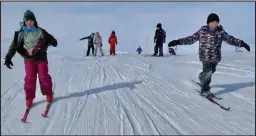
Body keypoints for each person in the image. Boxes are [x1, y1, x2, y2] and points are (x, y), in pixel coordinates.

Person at [168, 13, 250, 98]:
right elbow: (191, 39)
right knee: (208, 72)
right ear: (208, 22)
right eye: (212, 22)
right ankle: (205, 90)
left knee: (212, 71)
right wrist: (177, 42)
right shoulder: (202, 30)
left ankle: (201, 77)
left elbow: (231, 39)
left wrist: (242, 44)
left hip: (215, 57)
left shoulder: (221, 32)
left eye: (216, 22)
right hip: (205, 56)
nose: (214, 24)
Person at [4, 10, 57, 107]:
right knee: (30, 79)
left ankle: (49, 94)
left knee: (43, 77)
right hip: (29, 60)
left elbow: (49, 37)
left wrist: (53, 41)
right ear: (24, 22)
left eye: (31, 20)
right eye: (27, 20)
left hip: (41, 58)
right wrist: (8, 57)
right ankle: (29, 98)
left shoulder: (40, 31)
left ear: (34, 21)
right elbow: (13, 46)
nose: (29, 22)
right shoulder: (21, 33)